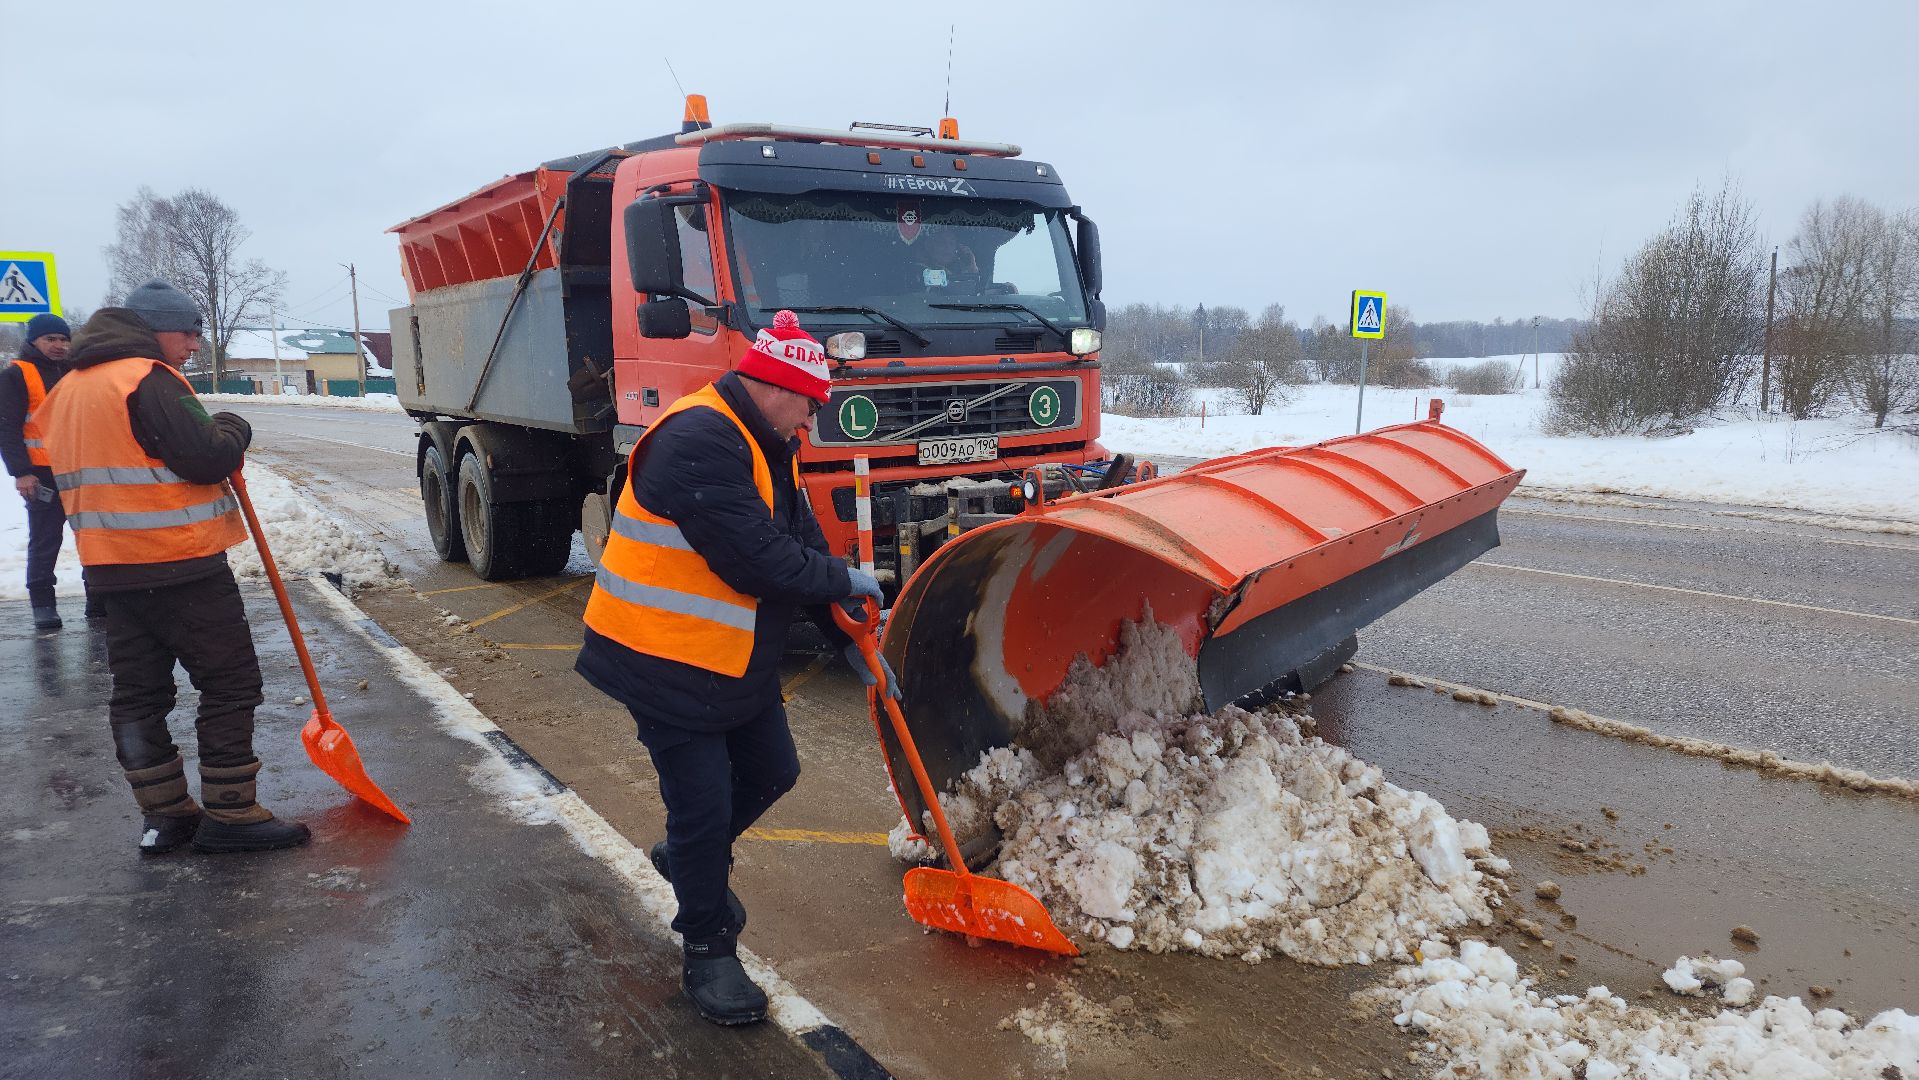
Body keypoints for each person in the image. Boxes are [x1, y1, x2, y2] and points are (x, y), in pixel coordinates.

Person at [576, 309, 896, 1026]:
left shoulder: (761, 437)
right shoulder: (699, 438)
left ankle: (688, 859)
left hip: (725, 656)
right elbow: (755, 559)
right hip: (659, 654)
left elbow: (799, 537)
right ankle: (708, 949)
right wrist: (843, 581)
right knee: (704, 804)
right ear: (778, 388)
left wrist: (845, 638)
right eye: (810, 406)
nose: (810, 422)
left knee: (772, 772)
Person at [37, 281, 311, 856]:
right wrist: (235, 426)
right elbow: (208, 454)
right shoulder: (146, 377)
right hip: (181, 564)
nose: (194, 342)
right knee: (231, 683)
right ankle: (233, 815)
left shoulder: (68, 388)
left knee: (139, 695)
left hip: (112, 569)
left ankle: (165, 816)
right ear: (153, 328)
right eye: (187, 330)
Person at [3, 313, 88, 628]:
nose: (59, 345)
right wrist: (21, 472)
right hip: (41, 474)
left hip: (79, 470)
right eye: (50, 339)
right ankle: (43, 604)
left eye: (64, 339)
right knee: (45, 539)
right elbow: (7, 429)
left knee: (90, 536)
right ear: (33, 341)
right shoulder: (16, 376)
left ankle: (97, 599)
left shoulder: (73, 372)